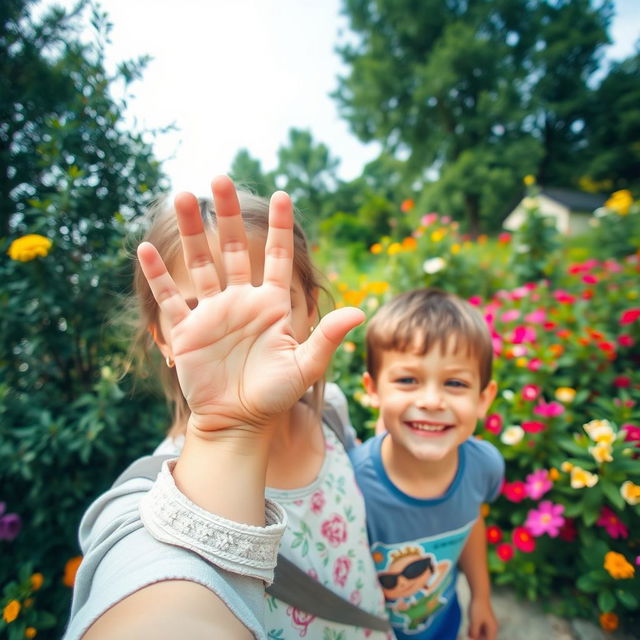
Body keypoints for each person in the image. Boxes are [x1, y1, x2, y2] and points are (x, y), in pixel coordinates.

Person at [63, 176, 390, 640]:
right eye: (198, 313)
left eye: (273, 304)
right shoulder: (152, 497)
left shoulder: (332, 414)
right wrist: (230, 429)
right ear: (164, 340)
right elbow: (157, 602)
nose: (244, 335)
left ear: (311, 309)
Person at [349, 289, 503, 640]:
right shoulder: (353, 484)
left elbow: (470, 522)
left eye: (455, 383)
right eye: (407, 380)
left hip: (443, 622)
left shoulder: (484, 466)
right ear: (373, 390)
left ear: (483, 399)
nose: (432, 401)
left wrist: (481, 597)